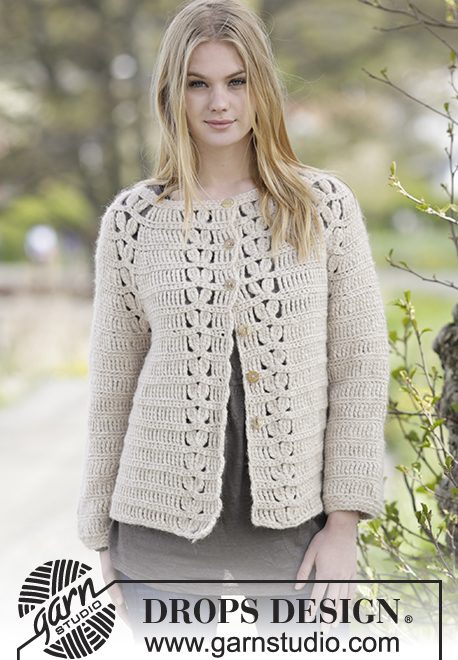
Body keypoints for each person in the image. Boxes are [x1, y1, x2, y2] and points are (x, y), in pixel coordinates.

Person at [76, 0, 390, 644]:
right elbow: (112, 388)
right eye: (198, 83)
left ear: (262, 88)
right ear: (172, 94)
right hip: (157, 545)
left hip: (291, 542)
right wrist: (100, 540)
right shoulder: (134, 221)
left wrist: (344, 525)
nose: (219, 102)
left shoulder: (321, 208)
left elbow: (360, 369)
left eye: (236, 81)